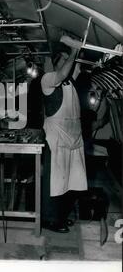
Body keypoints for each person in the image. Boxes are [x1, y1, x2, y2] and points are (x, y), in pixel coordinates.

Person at [41, 39, 88, 233]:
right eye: (65, 60)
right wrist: (74, 51)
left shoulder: (71, 82)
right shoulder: (48, 79)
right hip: (57, 140)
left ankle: (61, 216)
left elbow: (74, 69)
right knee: (55, 182)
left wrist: (80, 50)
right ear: (57, 62)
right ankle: (49, 220)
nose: (69, 63)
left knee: (70, 181)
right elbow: (63, 73)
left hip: (74, 139)